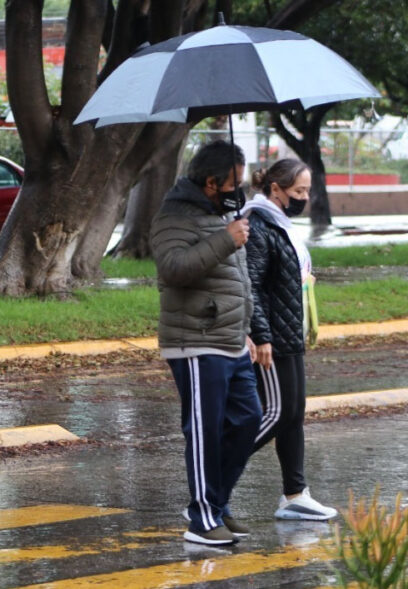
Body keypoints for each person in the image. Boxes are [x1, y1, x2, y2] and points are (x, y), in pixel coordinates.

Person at [150, 140, 263, 546]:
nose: (240, 188)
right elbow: (175, 268)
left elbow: (236, 284)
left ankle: (215, 502)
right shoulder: (173, 216)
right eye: (235, 182)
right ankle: (201, 519)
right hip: (196, 340)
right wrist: (225, 241)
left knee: (249, 419)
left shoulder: (219, 215)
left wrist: (246, 330)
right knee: (204, 431)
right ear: (212, 182)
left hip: (230, 339)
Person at [241, 158, 337, 521]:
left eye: (307, 191)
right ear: (275, 189)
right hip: (270, 339)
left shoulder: (280, 225)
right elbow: (249, 285)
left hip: (288, 333)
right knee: (278, 413)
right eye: (298, 191)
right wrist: (260, 335)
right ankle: (213, 472)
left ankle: (295, 494)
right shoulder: (258, 224)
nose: (304, 198)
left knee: (294, 415)